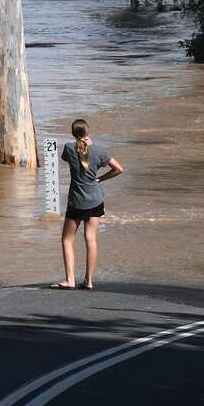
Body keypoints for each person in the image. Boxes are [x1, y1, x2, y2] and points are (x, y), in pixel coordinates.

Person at [51, 118, 124, 291]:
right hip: (95, 200)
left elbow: (65, 158)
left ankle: (70, 280)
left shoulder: (69, 148)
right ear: (88, 132)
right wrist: (100, 179)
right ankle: (89, 281)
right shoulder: (99, 151)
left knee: (67, 239)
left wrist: (80, 143)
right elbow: (119, 169)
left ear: (72, 133)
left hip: (77, 201)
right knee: (91, 240)